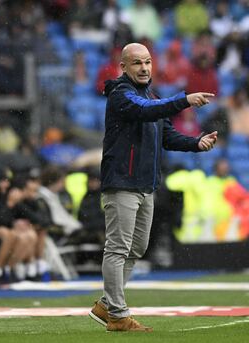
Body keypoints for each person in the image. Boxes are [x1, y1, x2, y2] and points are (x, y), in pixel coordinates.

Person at [88, 42, 217, 332]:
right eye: (137, 63)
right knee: (118, 248)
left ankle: (107, 305)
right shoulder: (121, 95)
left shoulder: (151, 96)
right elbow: (147, 111)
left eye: (147, 62)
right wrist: (184, 100)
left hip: (145, 184)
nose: (144, 68)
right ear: (123, 67)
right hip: (122, 182)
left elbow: (166, 135)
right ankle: (118, 315)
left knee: (137, 248)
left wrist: (196, 143)